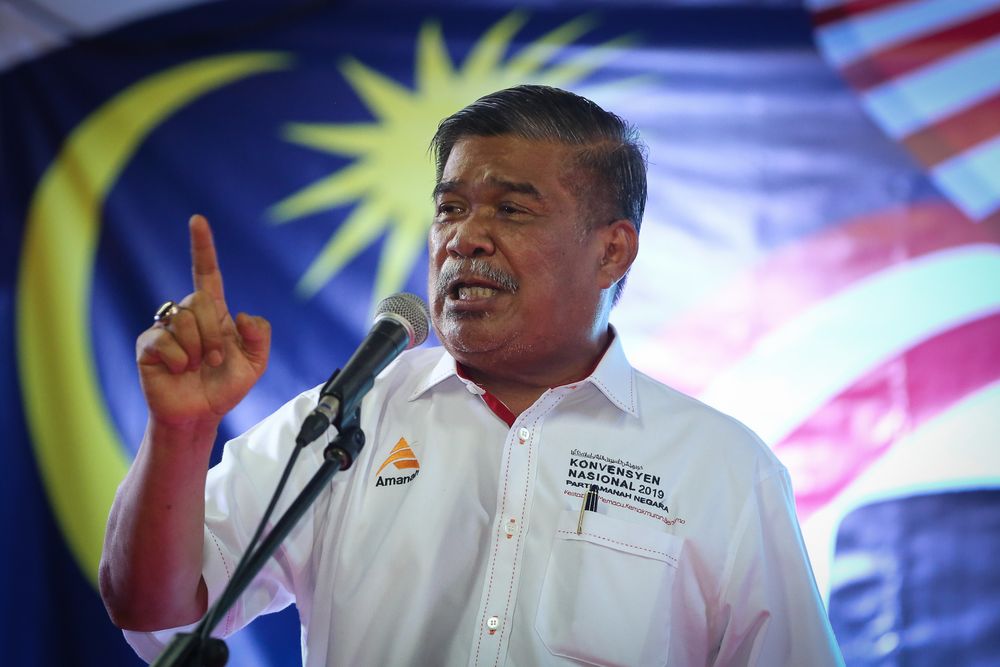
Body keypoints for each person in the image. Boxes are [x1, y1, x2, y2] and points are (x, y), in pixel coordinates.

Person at [100, 85, 844, 666]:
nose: (464, 238)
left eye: (511, 210)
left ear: (613, 252)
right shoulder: (347, 420)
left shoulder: (720, 467)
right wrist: (183, 429)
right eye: (449, 207)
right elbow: (155, 610)